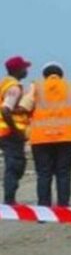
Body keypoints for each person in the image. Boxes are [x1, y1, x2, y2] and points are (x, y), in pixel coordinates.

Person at [20, 62, 71, 207]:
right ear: (61, 75)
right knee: (64, 173)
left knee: (44, 174)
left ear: (44, 76)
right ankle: (63, 208)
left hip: (41, 138)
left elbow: (24, 107)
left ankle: (44, 208)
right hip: (67, 137)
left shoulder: (36, 86)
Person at [0, 56, 32, 204]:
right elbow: (6, 110)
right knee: (15, 165)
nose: (26, 70)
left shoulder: (4, 83)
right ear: (17, 70)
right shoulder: (13, 87)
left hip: (4, 132)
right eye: (24, 68)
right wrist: (16, 130)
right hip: (10, 133)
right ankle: (9, 200)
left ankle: (9, 196)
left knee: (14, 164)